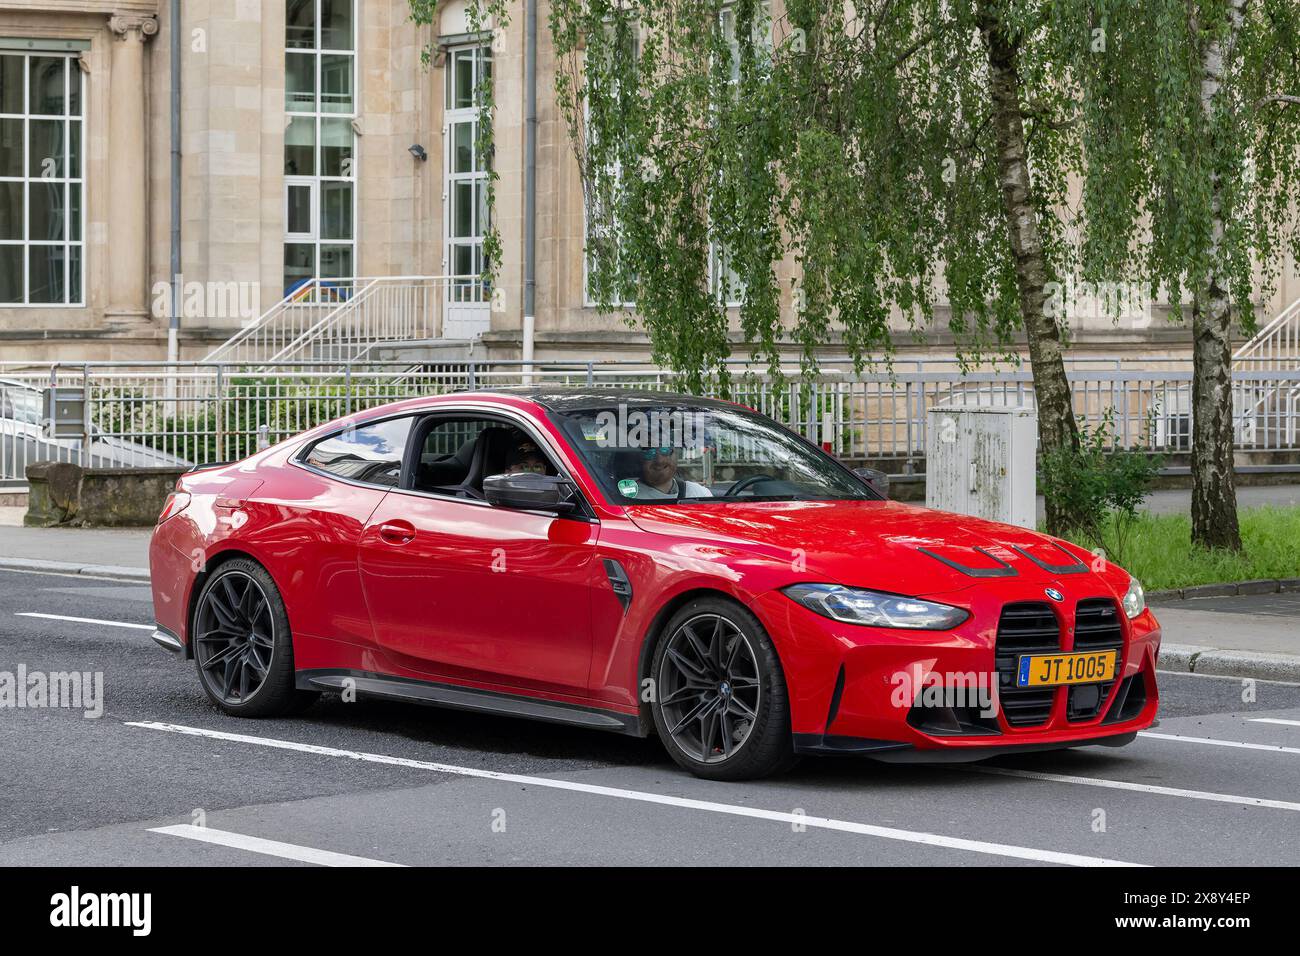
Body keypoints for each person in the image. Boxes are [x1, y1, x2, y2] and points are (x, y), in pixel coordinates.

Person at [633, 446, 711, 499]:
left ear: (676, 454)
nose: (659, 461)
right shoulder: (627, 498)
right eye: (649, 453)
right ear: (639, 459)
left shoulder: (700, 493)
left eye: (665, 450)